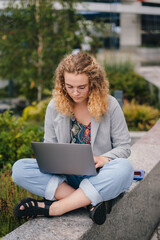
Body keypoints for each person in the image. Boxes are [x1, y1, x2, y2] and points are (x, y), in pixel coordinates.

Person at [12, 52, 134, 225]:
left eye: (82, 87)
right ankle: (88, 203)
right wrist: (54, 161)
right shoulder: (54, 106)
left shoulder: (110, 105)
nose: (75, 93)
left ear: (94, 83)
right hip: (66, 177)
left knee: (125, 168)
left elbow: (124, 147)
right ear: (62, 84)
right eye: (69, 87)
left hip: (98, 176)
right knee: (19, 169)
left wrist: (104, 158)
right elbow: (50, 146)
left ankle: (54, 208)